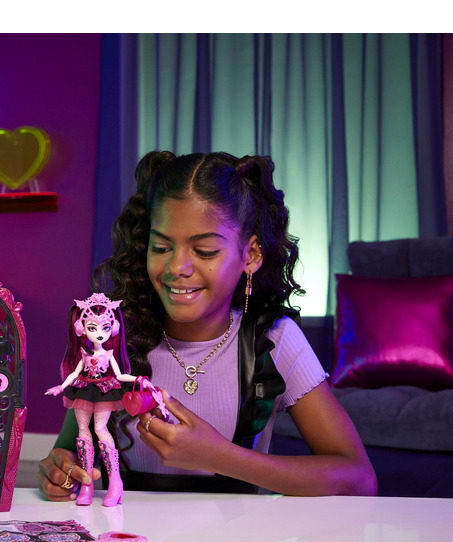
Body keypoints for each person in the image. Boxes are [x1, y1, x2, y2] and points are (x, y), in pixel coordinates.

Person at [37, 150, 377, 500]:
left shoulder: (274, 339)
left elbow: (359, 479)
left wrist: (219, 457)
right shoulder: (113, 336)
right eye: (161, 247)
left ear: (251, 255)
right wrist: (60, 470)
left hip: (240, 536)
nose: (177, 268)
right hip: (128, 534)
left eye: (205, 251)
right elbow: (68, 455)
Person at [45, 293, 137, 507]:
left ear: (113, 329)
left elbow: (120, 375)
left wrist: (139, 379)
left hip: (104, 390)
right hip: (84, 390)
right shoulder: (84, 353)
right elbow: (74, 373)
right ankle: (87, 485)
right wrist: (61, 387)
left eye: (105, 328)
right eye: (93, 328)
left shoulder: (109, 354)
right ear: (82, 329)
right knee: (83, 430)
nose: (99, 333)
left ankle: (115, 481)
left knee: (100, 429)